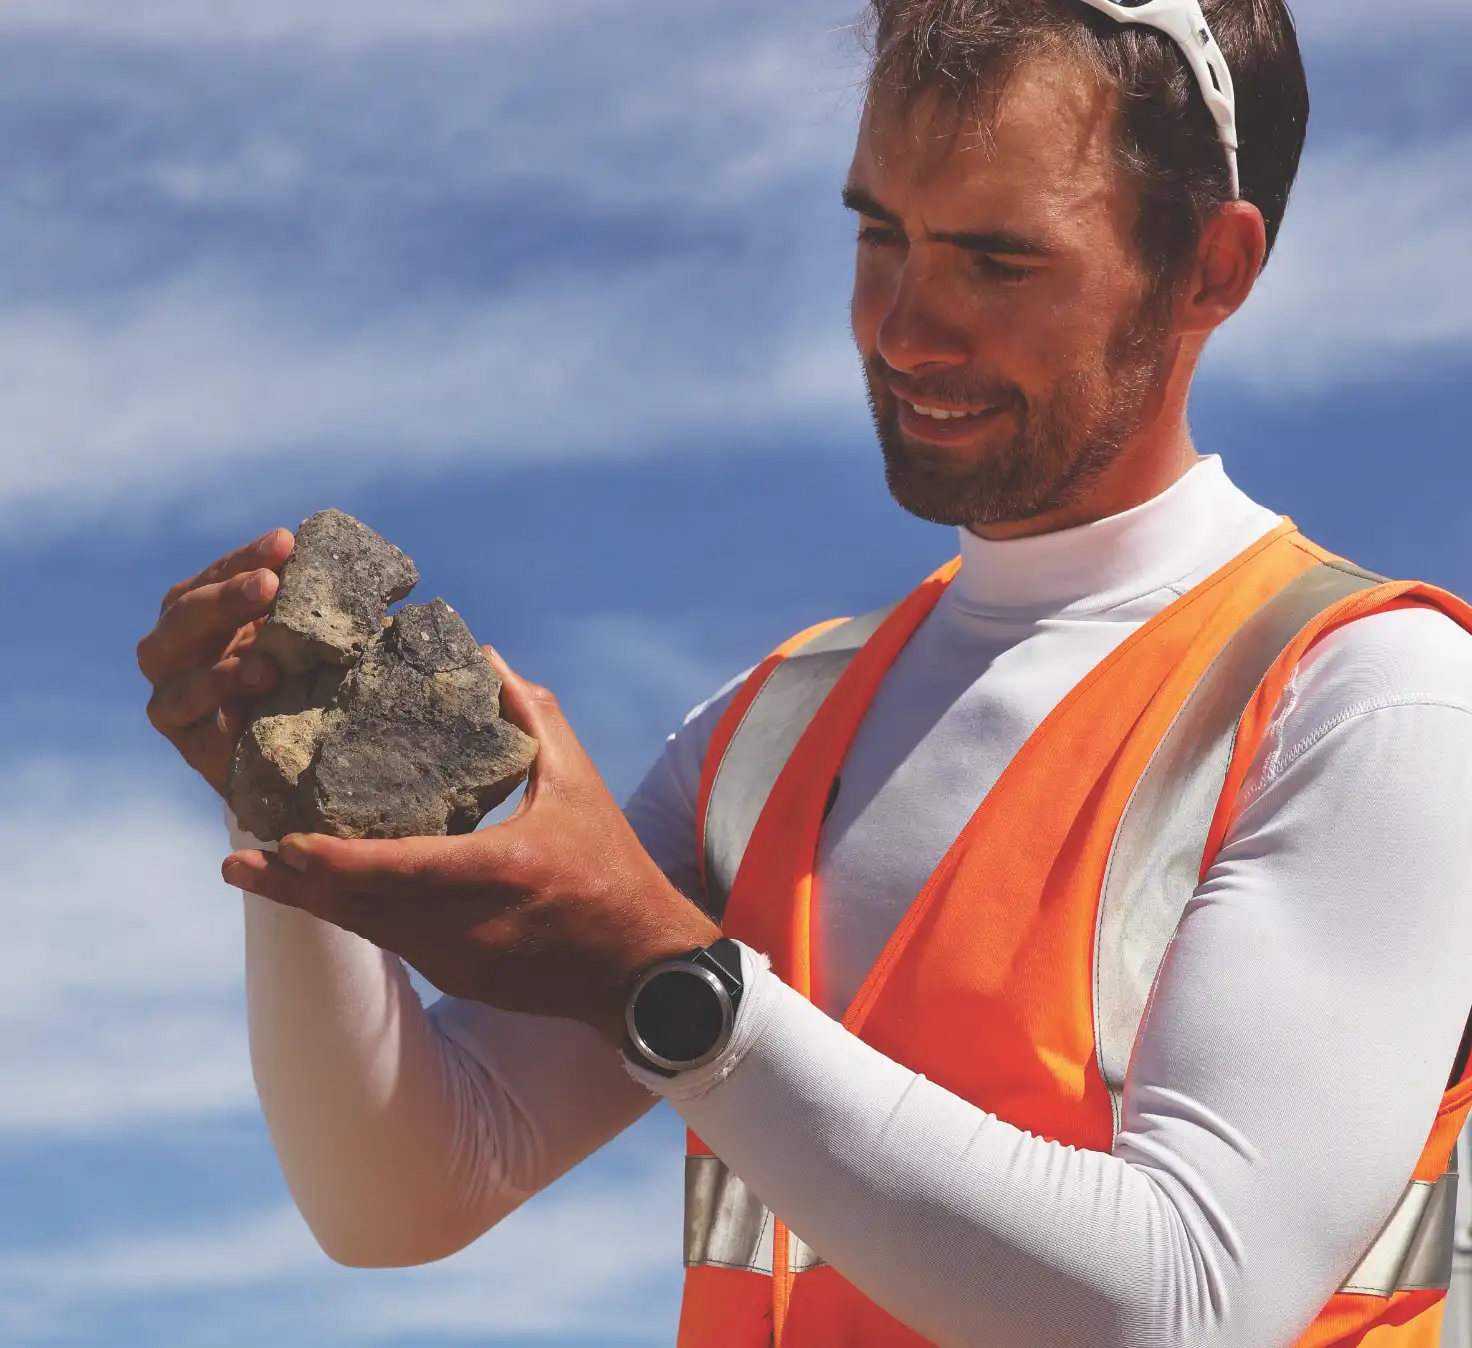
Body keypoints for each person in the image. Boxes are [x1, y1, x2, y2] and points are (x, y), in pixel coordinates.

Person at [136, 1, 1472, 1344]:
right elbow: (403, 1195)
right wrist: (287, 799)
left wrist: (669, 985)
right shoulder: (775, 731)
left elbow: (1187, 1307)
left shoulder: (1370, 700)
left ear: (1209, 270)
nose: (902, 330)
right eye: (879, 233)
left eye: (998, 261)